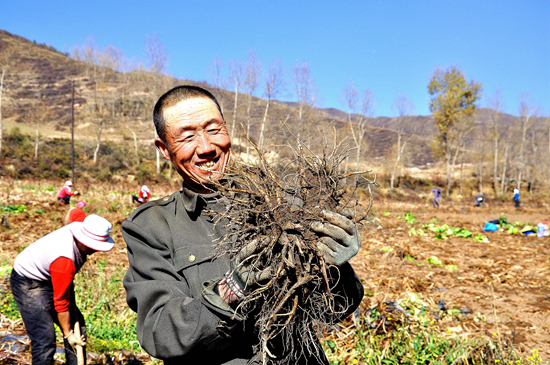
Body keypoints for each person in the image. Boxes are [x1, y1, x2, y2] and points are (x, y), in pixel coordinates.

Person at [122, 85, 364, 364]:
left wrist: (336, 267)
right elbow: (160, 332)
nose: (206, 147)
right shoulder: (151, 226)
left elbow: (337, 309)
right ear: (164, 148)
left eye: (214, 130)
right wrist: (230, 291)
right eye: (187, 136)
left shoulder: (280, 202)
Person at [10, 215, 115, 365]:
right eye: (92, 246)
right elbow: (61, 303)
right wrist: (68, 334)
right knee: (44, 338)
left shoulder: (82, 224)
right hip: (28, 281)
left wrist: (72, 332)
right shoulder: (64, 261)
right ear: (82, 239)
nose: (95, 250)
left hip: (50, 275)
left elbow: (74, 212)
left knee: (79, 330)